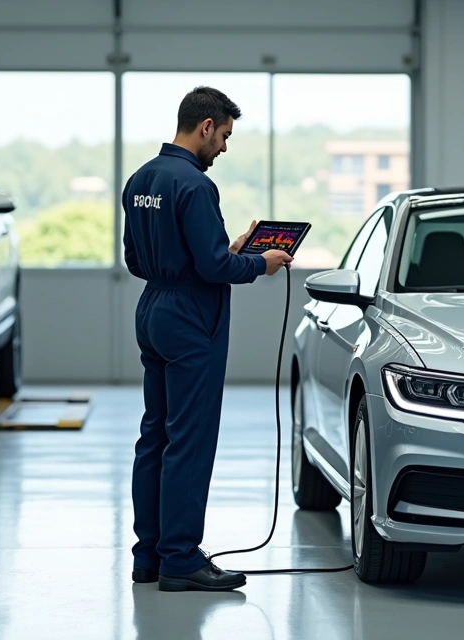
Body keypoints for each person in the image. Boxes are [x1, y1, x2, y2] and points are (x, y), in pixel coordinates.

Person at [122, 86, 292, 592]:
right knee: (190, 439)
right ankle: (180, 558)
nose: (223, 148)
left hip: (153, 308)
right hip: (192, 318)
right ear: (205, 127)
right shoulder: (194, 185)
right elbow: (214, 267)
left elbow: (137, 259)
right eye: (224, 136)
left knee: (155, 435)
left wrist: (230, 248)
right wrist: (260, 262)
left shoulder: (140, 180)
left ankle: (148, 556)